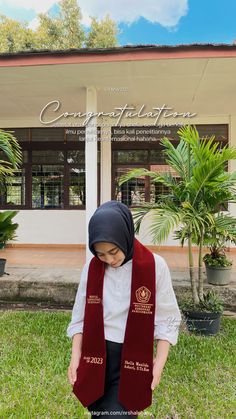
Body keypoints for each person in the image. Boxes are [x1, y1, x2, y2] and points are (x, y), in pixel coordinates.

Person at [67, 200, 182, 418]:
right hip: (96, 357)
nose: (109, 260)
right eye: (100, 254)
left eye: (113, 251)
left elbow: (168, 319)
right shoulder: (91, 269)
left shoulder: (155, 266)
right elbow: (79, 315)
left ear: (125, 236)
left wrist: (159, 364)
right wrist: (76, 355)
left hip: (132, 358)